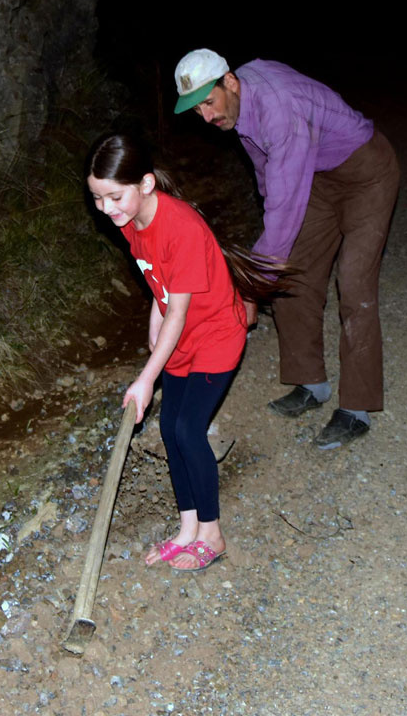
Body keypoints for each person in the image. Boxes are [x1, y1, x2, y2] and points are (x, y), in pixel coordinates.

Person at [173, 48, 400, 450]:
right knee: (295, 274)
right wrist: (266, 270)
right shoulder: (241, 108)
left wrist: (248, 286)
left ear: (229, 82)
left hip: (366, 173)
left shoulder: (279, 108)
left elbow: (284, 207)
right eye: (196, 111)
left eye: (208, 103)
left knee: (354, 281)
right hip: (317, 176)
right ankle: (311, 383)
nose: (206, 117)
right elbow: (268, 176)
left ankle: (357, 409)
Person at [85, 132, 282, 572]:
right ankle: (187, 528)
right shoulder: (133, 226)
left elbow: (180, 310)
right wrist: (154, 331)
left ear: (147, 184)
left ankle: (212, 534)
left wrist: (146, 376)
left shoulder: (182, 228)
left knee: (189, 428)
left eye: (114, 197)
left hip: (214, 334)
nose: (106, 209)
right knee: (170, 430)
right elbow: (161, 291)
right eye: (97, 199)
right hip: (183, 336)